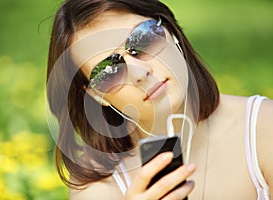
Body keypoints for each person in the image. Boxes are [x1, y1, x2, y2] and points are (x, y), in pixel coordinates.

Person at [46, 0, 273, 199]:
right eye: (109, 71)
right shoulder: (98, 182)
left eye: (143, 38)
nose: (140, 73)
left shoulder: (263, 127)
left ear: (171, 32)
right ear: (97, 95)